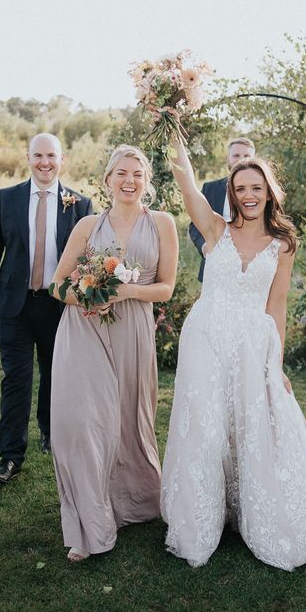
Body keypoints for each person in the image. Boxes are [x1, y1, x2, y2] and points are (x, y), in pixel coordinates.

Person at [161, 136, 306, 570]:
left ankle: (250, 511)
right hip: (206, 337)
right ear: (232, 194)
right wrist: (173, 126)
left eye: (256, 188)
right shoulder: (216, 230)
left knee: (254, 423)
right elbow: (186, 185)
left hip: (251, 342)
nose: (248, 195)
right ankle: (201, 521)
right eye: (241, 188)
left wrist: (275, 362)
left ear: (268, 193)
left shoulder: (283, 242)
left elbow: (277, 305)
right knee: (206, 427)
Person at [50, 144, 178, 561]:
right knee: (86, 423)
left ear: (147, 181)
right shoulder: (87, 225)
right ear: (107, 180)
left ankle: (132, 503)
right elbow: (58, 285)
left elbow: (165, 287)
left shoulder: (162, 224)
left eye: (137, 174)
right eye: (121, 173)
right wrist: (90, 295)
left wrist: (123, 292)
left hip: (134, 331)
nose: (129, 181)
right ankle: (91, 521)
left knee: (128, 417)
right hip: (85, 331)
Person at [0, 133, 93, 484]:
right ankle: (10, 455)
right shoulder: (5, 200)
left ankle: (52, 436)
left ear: (61, 158)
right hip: (14, 306)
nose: (44, 162)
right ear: (28, 157)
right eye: (38, 155)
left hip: (58, 306)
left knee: (57, 376)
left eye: (51, 155)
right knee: (16, 379)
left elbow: (88, 261)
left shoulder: (80, 205)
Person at [189, 137, 255, 281]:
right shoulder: (210, 188)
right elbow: (195, 225)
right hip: (214, 270)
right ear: (228, 159)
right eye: (236, 155)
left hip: (252, 269)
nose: (241, 160)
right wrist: (204, 247)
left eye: (246, 156)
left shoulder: (263, 192)